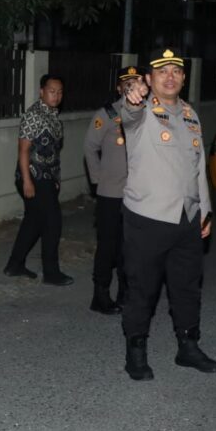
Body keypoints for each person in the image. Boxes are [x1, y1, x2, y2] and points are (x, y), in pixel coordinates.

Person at [117, 48, 216, 381]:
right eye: (162, 72)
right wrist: (133, 96)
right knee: (142, 289)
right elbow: (129, 111)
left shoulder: (190, 115)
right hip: (147, 218)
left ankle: (188, 347)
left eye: (176, 71)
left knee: (187, 287)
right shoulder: (141, 111)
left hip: (187, 218)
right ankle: (136, 352)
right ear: (149, 79)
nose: (170, 77)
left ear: (184, 77)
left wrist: (205, 211)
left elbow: (198, 167)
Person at [83, 67, 143, 314]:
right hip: (111, 193)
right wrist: (98, 180)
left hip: (137, 194)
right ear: (119, 88)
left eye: (135, 82)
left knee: (130, 246)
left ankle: (125, 293)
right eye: (126, 83)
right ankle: (100, 296)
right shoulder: (107, 114)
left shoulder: (147, 113)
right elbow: (90, 147)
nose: (131, 87)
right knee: (107, 246)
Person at [4, 74, 72, 286]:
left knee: (33, 222)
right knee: (53, 222)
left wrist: (56, 178)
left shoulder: (53, 116)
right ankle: (51, 273)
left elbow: (54, 152)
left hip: (47, 178)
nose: (56, 96)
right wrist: (27, 181)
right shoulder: (33, 115)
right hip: (33, 177)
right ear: (42, 92)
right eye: (52, 91)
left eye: (59, 92)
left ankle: (14, 265)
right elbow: (23, 150)